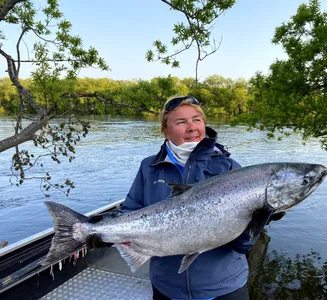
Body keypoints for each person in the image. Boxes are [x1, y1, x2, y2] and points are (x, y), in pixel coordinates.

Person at [87, 95, 284, 300]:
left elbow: (242, 245)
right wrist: (105, 231)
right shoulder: (149, 167)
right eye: (181, 122)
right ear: (164, 129)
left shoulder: (230, 169)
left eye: (197, 120)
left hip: (224, 287)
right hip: (167, 287)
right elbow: (130, 210)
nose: (192, 127)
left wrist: (258, 221)